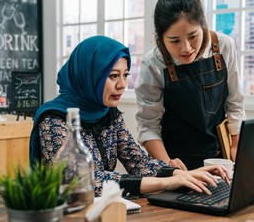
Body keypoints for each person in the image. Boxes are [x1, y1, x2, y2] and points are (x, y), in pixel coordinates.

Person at [29, 35, 229, 198]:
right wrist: (165, 182)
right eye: (113, 76)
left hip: (103, 211)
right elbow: (83, 180)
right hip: (64, 215)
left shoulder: (109, 114)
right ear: (89, 76)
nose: (122, 85)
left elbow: (138, 161)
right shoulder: (53, 120)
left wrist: (185, 174)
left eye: (125, 75)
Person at [134, 0, 246, 171]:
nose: (186, 48)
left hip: (219, 157)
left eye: (193, 36)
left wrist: (236, 147)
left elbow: (235, 103)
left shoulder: (223, 46)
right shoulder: (153, 64)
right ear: (160, 38)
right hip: (176, 162)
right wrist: (169, 167)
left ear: (203, 26)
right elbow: (148, 127)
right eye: (175, 41)